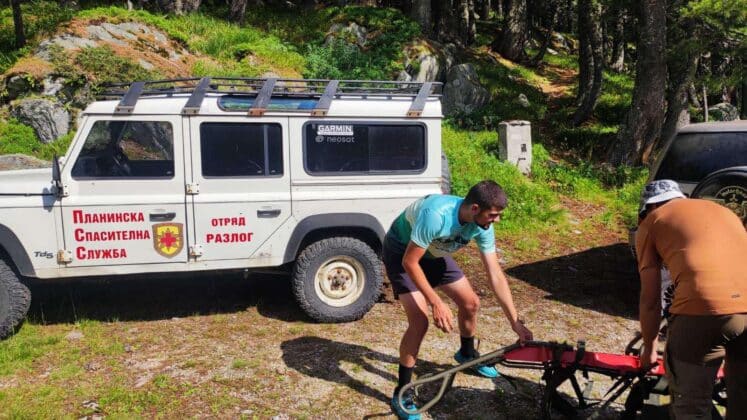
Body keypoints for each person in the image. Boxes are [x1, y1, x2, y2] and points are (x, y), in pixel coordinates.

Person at [384, 180, 533, 419]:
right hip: (403, 252)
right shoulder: (436, 215)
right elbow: (410, 262)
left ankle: (466, 354)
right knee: (419, 322)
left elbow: (495, 274)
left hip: (434, 254)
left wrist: (515, 322)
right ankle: (402, 393)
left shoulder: (482, 225)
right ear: (475, 208)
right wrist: (436, 302)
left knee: (471, 303)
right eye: (493, 215)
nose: (497, 220)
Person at [635, 179, 747, 418]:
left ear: (648, 208)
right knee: (742, 399)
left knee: (691, 405)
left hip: (703, 309)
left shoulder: (652, 222)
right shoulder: (724, 211)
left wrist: (649, 348)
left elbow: (650, 300)